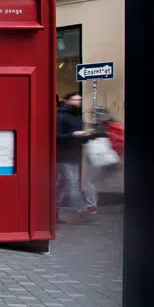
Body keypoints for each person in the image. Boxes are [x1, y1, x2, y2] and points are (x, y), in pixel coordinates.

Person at [56, 91, 94, 221]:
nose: (78, 102)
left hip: (75, 155)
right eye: (75, 100)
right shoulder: (60, 116)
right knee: (72, 183)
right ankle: (81, 208)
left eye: (80, 100)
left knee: (63, 185)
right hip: (63, 156)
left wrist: (87, 136)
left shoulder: (78, 117)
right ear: (67, 101)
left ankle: (53, 210)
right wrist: (73, 135)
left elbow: (80, 138)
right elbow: (57, 136)